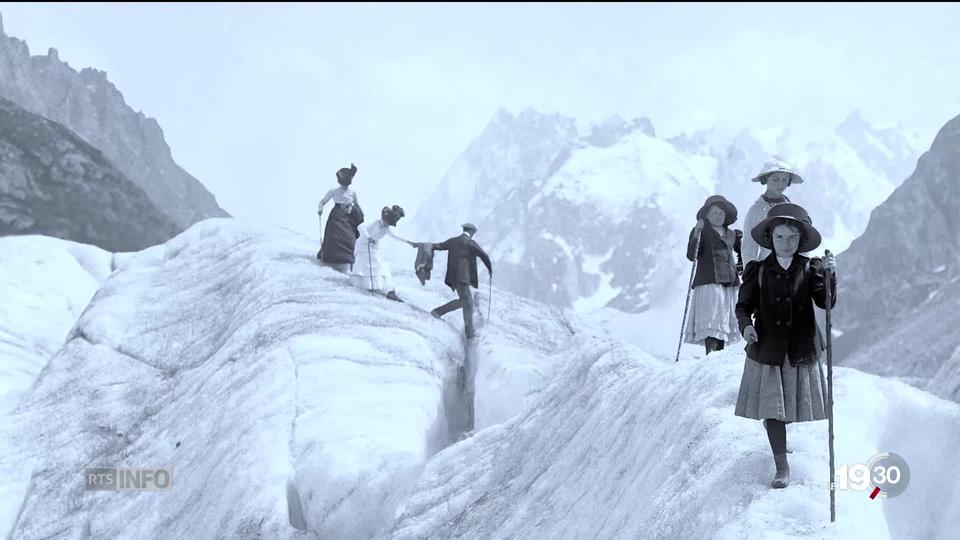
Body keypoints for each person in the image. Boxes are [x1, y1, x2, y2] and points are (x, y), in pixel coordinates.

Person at [734, 202, 837, 489]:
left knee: (787, 406)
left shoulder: (811, 267)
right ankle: (782, 467)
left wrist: (830, 277)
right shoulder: (758, 270)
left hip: (800, 347)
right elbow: (743, 306)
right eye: (780, 237)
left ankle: (777, 435)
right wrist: (747, 327)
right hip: (768, 349)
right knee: (773, 410)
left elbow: (825, 303)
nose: (786, 243)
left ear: (801, 240)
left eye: (792, 238)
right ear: (770, 238)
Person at [683, 195, 743, 355]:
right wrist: (696, 233)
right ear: (707, 216)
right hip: (709, 281)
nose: (718, 216)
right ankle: (711, 353)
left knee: (723, 319)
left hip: (729, 282)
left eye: (721, 213)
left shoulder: (732, 234)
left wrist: (741, 264)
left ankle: (719, 354)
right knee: (711, 318)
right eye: (714, 213)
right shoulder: (702, 232)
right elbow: (692, 255)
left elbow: (743, 250)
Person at [429, 223, 492, 339]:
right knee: (467, 301)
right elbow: (484, 255)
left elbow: (439, 246)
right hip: (463, 277)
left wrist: (426, 246)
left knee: (466, 301)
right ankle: (439, 312)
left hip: (453, 277)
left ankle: (468, 330)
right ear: (472, 232)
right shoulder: (469, 242)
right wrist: (490, 269)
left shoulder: (453, 241)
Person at [741, 158, 803, 264]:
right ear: (765, 180)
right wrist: (751, 275)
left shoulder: (792, 209)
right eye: (775, 179)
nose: (780, 184)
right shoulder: (756, 211)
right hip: (767, 269)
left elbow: (802, 241)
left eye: (785, 179)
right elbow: (749, 248)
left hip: (792, 270)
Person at [350, 205, 414, 302]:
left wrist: (407, 241)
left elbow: (394, 236)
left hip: (374, 248)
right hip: (364, 245)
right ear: (384, 219)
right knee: (366, 267)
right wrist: (368, 237)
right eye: (387, 222)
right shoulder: (374, 222)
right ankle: (367, 285)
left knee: (379, 266)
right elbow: (360, 227)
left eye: (389, 224)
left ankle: (389, 289)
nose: (387, 225)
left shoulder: (386, 228)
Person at [317, 164, 364, 273]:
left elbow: (357, 205)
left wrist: (354, 210)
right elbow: (322, 202)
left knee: (350, 238)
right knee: (334, 237)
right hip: (336, 217)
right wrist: (320, 209)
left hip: (349, 218)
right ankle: (330, 258)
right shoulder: (334, 190)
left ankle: (348, 261)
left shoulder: (353, 192)